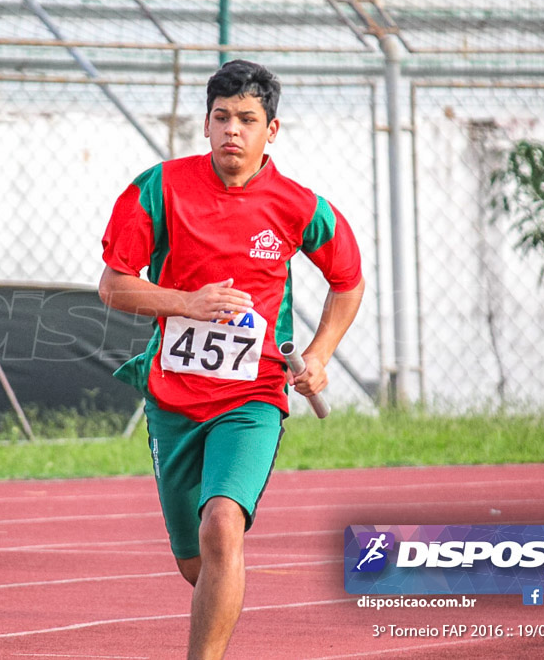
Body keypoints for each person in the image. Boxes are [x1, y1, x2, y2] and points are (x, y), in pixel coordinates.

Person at [98, 59, 364, 659]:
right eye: (221, 118)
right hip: (172, 398)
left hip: (252, 398)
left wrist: (320, 354)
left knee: (222, 525)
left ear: (273, 131)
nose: (232, 132)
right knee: (199, 563)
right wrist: (187, 302)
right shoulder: (158, 188)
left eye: (248, 119)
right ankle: (223, 587)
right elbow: (114, 286)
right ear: (206, 124)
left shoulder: (299, 206)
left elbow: (349, 281)